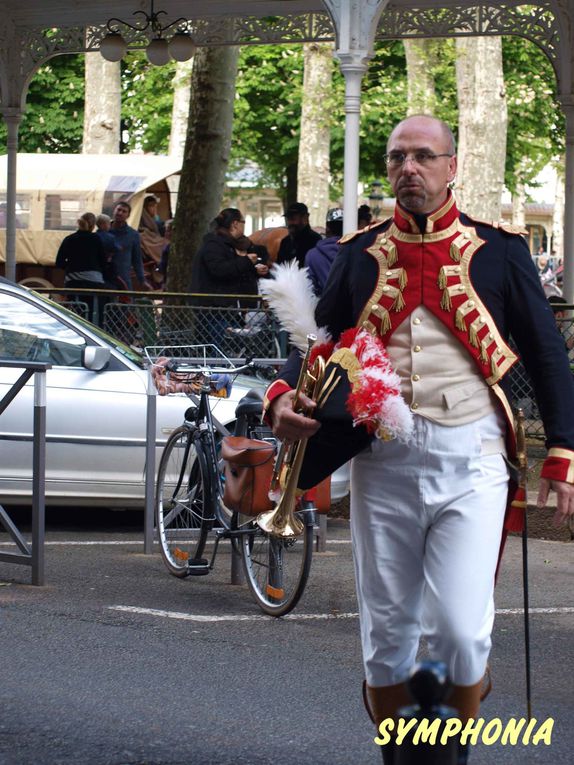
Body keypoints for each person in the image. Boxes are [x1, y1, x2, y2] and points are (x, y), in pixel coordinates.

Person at [265, 115, 574, 764]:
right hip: (383, 463)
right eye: (397, 158)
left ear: (452, 166)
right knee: (387, 643)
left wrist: (564, 453)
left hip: (474, 462)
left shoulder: (502, 252)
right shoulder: (360, 253)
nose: (409, 168)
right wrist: (283, 397)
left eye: (424, 157)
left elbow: (547, 356)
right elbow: (320, 346)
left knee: (461, 634)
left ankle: (451, 741)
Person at [190, 208, 268, 345]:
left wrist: (253, 269)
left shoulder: (225, 245)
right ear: (235, 224)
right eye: (243, 222)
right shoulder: (214, 246)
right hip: (215, 310)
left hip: (224, 309)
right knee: (219, 350)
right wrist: (246, 261)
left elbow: (231, 269)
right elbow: (220, 270)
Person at [55, 212, 106, 322]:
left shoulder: (69, 239)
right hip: (94, 283)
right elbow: (103, 262)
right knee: (95, 313)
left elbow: (59, 262)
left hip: (73, 283)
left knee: (76, 314)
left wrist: (71, 268)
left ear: (79, 223)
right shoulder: (96, 239)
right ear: (93, 226)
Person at [109, 201, 150, 291]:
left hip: (123, 277)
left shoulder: (133, 235)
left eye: (124, 211)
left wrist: (142, 280)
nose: (120, 213)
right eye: (118, 210)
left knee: (126, 303)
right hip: (106, 278)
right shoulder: (104, 231)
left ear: (128, 216)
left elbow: (137, 259)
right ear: (114, 211)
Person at [304, 208, 343, 296]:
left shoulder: (312, 255)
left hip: (324, 306)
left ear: (327, 228)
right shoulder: (357, 251)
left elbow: (309, 289)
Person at [276, 202, 322, 268]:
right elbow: (279, 266)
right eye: (288, 219)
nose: (290, 223)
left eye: (293, 219)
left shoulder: (315, 240)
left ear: (305, 218)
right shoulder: (285, 241)